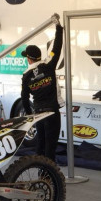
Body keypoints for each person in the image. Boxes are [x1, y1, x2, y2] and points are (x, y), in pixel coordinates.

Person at [20, 15, 63, 161]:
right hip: (52, 112)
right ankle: (49, 173)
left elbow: (24, 99)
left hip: (38, 113)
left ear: (29, 59)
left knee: (40, 144)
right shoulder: (48, 65)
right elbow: (57, 48)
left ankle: (39, 171)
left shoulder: (26, 76)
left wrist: (29, 115)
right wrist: (58, 28)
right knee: (51, 147)